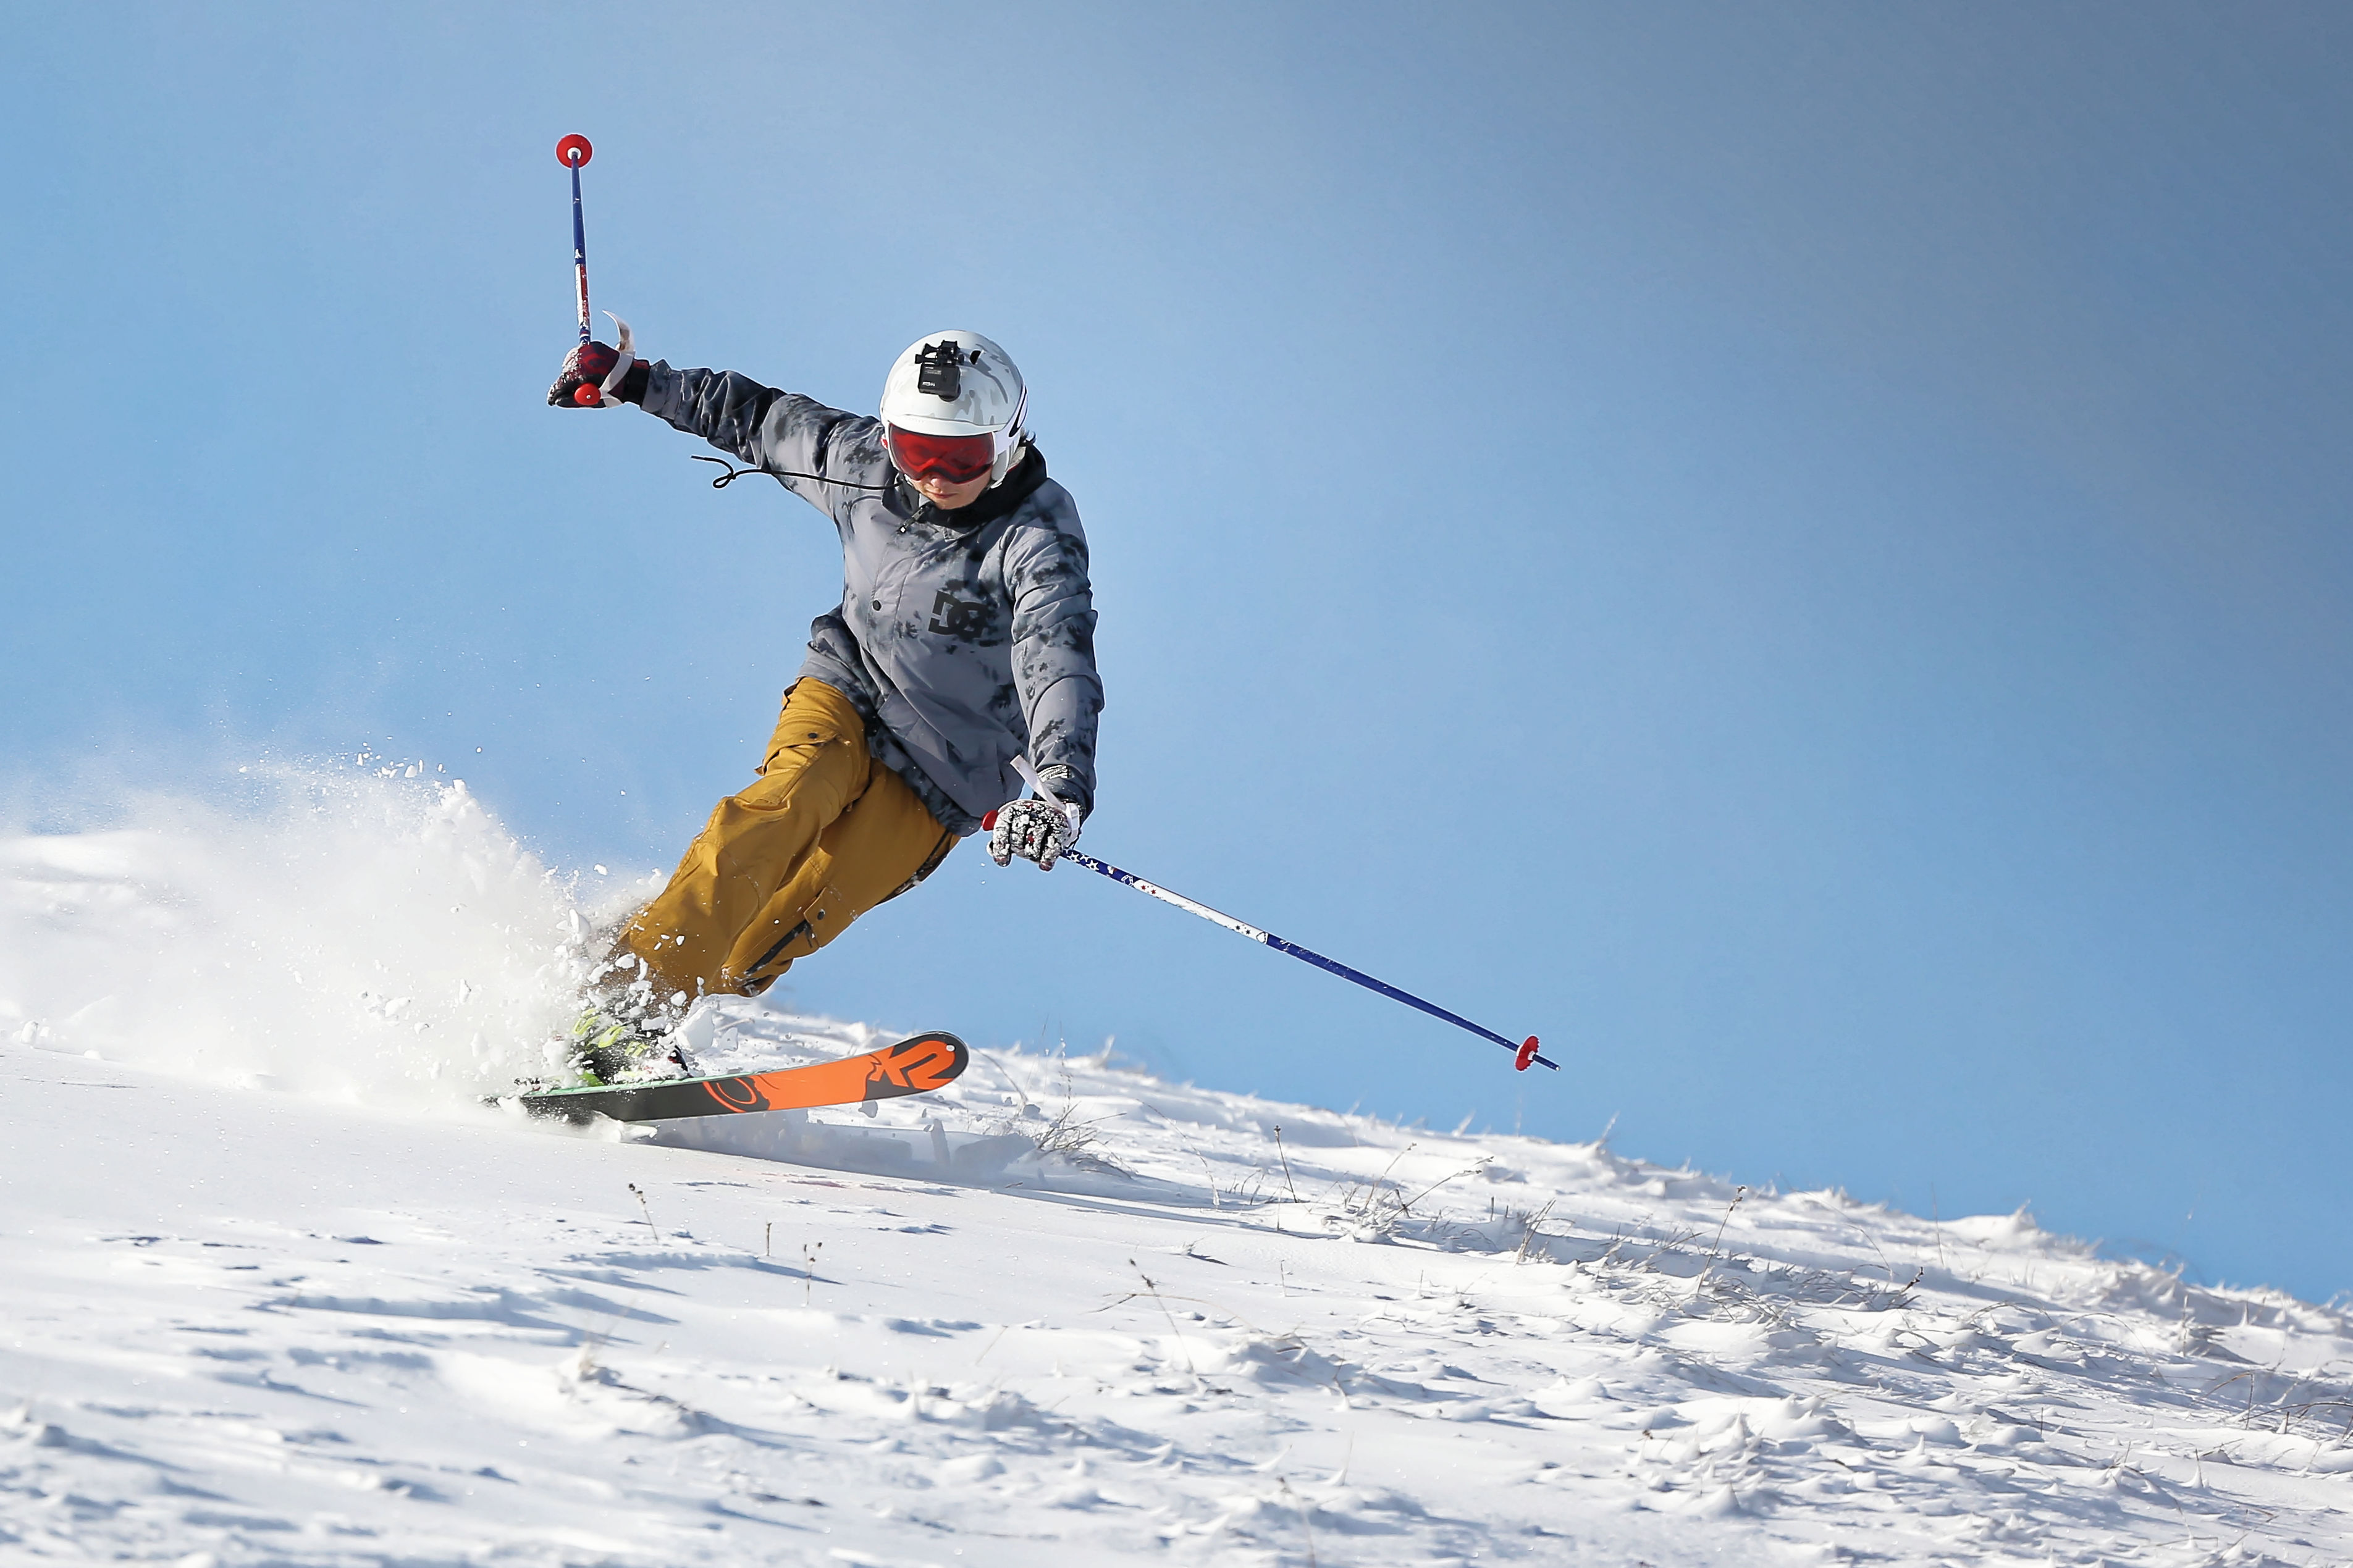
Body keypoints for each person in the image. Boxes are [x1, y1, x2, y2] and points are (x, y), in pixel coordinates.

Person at [547, 328, 1103, 1079]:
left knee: (788, 923)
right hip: (850, 691)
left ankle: (659, 985)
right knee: (784, 806)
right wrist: (633, 379)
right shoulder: (863, 467)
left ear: (1007, 441)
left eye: (961, 458)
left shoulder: (1036, 535)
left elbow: (1056, 654)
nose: (936, 477)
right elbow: (756, 418)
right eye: (916, 451)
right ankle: (625, 1003)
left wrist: (1060, 791)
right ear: (887, 436)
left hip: (946, 777)